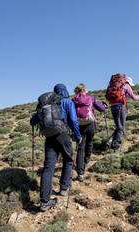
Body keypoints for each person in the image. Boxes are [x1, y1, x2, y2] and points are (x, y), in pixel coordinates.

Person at [30, 84, 81, 212]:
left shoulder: (47, 104)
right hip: (63, 135)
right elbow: (74, 121)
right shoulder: (68, 102)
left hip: (49, 137)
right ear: (65, 91)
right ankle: (64, 188)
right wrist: (78, 136)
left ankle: (45, 202)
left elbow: (32, 121)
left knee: (48, 168)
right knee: (68, 160)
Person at [72, 84, 105, 182]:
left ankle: (80, 173)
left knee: (80, 147)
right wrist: (104, 106)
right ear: (85, 90)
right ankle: (86, 161)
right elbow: (101, 109)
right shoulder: (91, 98)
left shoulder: (73, 100)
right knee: (89, 142)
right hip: (90, 124)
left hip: (78, 125)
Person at [106, 75, 139, 152]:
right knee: (121, 128)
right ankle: (117, 147)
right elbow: (133, 97)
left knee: (118, 126)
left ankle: (110, 140)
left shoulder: (114, 85)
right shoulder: (126, 86)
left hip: (112, 106)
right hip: (120, 107)